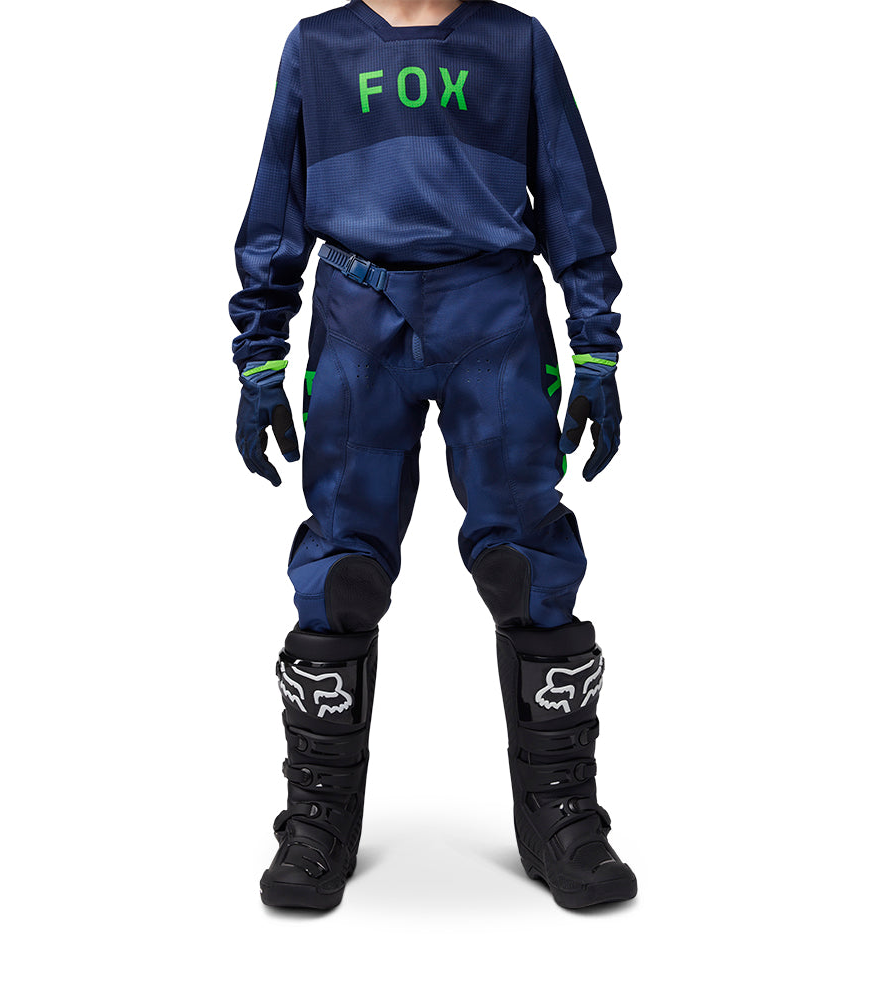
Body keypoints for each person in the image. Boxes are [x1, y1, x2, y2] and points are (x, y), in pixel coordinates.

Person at [228, 0, 636, 910]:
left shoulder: (516, 42)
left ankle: (560, 813)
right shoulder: (318, 47)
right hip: (356, 318)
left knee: (525, 558)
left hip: (492, 318)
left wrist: (597, 349)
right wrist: (259, 356)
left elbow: (572, 198)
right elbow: (275, 208)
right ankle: (318, 816)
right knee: (342, 567)